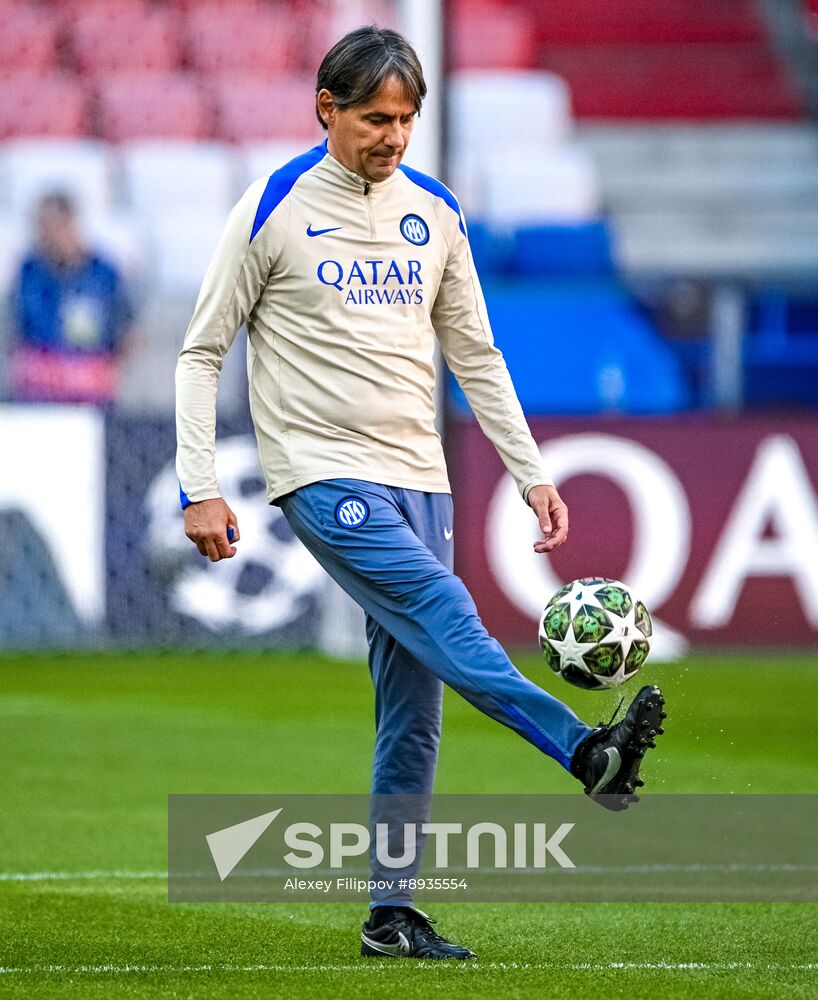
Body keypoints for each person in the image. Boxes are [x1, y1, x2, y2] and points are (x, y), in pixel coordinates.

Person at [176, 26, 666, 961]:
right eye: (374, 118)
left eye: (405, 119)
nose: (394, 136)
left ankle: (390, 914)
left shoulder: (434, 211)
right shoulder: (273, 204)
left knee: (414, 707)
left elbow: (475, 353)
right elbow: (203, 349)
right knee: (448, 608)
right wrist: (200, 483)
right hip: (322, 474)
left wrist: (532, 472)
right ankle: (583, 751)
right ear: (327, 109)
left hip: (422, 481)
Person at [7, 191, 134, 406]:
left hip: (91, 395)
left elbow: (129, 333)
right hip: (37, 395)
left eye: (50, 227)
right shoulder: (28, 272)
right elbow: (14, 330)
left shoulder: (104, 274)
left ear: (69, 223)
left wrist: (109, 370)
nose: (44, 237)